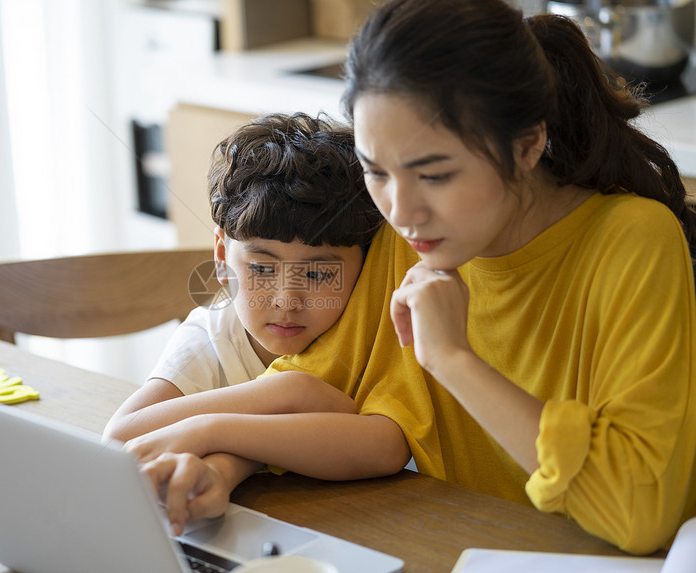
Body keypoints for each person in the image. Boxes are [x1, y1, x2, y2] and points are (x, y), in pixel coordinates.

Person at [139, 0, 696, 554]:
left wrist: (454, 360)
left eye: (435, 174)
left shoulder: (632, 241)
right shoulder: (408, 238)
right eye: (376, 171)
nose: (402, 210)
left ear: (528, 144)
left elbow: (638, 514)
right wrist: (221, 468)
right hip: (446, 545)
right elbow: (304, 398)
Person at [103, 112, 394, 484]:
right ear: (223, 257)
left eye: (319, 274)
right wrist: (285, 394)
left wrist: (221, 435)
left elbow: (386, 448)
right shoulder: (211, 339)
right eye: (262, 269)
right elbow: (119, 439)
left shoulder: (369, 330)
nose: (287, 301)